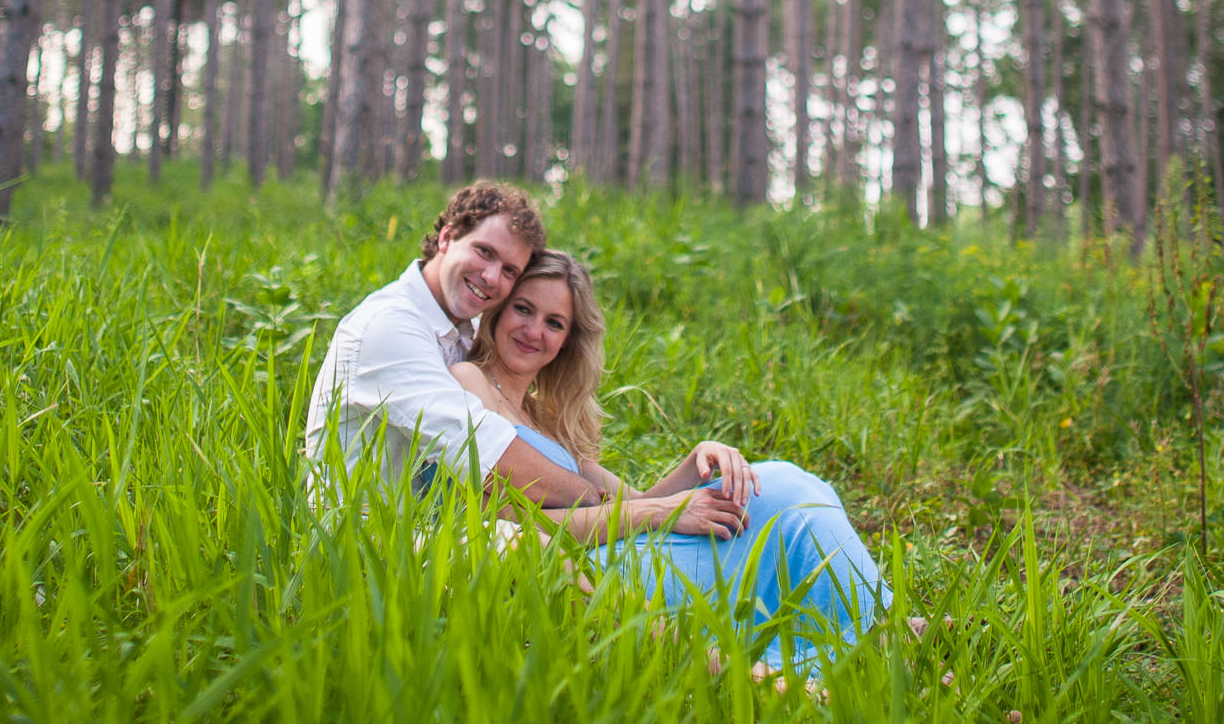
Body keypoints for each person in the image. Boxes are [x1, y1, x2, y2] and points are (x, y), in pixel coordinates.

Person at [450, 248, 895, 673]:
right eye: (524, 309)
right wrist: (662, 512)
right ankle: (877, 633)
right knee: (784, 485)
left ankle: (874, 623)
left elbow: (635, 502)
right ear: (498, 310)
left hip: (619, 550)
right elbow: (502, 516)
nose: (534, 331)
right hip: (583, 571)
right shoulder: (471, 381)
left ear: (568, 341)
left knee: (781, 487)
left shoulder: (546, 418)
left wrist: (698, 458)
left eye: (554, 322)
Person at [301, 180, 601, 509]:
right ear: (447, 237)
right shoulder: (390, 326)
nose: (490, 277)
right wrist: (595, 500)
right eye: (484, 252)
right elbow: (485, 454)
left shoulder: (468, 330)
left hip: (437, 527)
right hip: (365, 540)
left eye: (509, 270)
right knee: (549, 551)